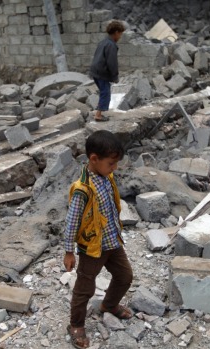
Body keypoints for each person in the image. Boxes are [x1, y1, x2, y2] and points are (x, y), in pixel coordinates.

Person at [63, 130, 133, 349]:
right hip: (93, 248)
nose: (115, 168)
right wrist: (68, 251)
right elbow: (72, 222)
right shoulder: (82, 190)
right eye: (111, 163)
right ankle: (76, 325)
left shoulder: (106, 177)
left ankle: (109, 305)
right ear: (94, 159)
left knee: (125, 276)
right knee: (85, 288)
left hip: (112, 242)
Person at [89, 21, 125, 122]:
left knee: (103, 92)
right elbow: (112, 62)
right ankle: (98, 115)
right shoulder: (111, 45)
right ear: (116, 32)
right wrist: (115, 76)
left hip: (95, 71)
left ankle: (98, 113)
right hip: (102, 72)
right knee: (105, 93)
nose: (120, 36)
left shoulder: (103, 42)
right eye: (121, 34)